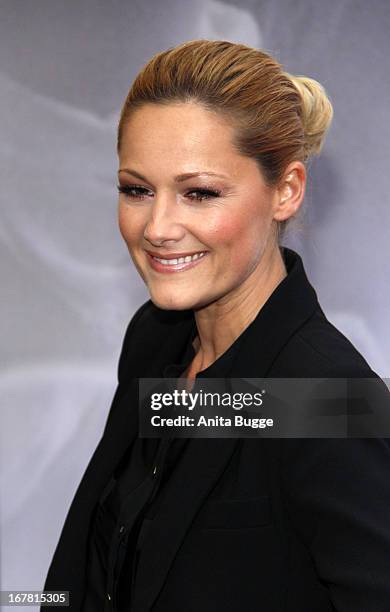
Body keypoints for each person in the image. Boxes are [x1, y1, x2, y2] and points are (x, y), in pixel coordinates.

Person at [42, 39, 390, 611]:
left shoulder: (330, 398)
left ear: (286, 191)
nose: (157, 227)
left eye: (199, 193)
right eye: (137, 190)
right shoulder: (155, 339)